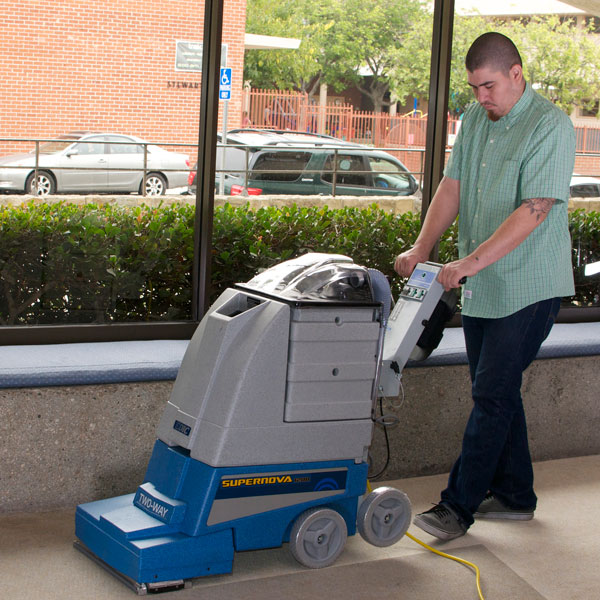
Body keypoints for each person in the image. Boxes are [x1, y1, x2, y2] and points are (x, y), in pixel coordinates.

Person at [394, 32, 575, 541]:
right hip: (481, 284)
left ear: (516, 73)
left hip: (529, 285)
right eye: (474, 88)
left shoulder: (551, 126)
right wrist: (423, 247)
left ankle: (457, 507)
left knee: (492, 395)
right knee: (495, 390)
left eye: (488, 86)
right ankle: (516, 494)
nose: (480, 98)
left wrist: (469, 260)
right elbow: (451, 186)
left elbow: (533, 211)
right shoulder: (476, 120)